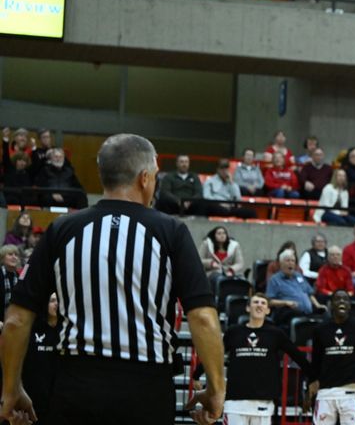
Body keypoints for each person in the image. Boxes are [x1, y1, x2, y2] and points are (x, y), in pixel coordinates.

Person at [0, 133, 225, 425]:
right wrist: (216, 390)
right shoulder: (171, 231)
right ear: (145, 178)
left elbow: (16, 320)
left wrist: (11, 388)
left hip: (76, 385)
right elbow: (203, 318)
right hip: (146, 390)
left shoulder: (62, 229)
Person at [196, 293, 312, 425]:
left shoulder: (276, 334)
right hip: (235, 403)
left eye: (263, 303)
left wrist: (314, 378)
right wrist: (196, 374)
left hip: (264, 404)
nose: (259, 305)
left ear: (268, 310)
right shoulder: (234, 332)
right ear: (248, 308)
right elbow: (215, 355)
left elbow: (297, 356)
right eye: (256, 302)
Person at [310, 289, 355, 425]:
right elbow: (315, 361)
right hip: (325, 392)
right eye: (337, 299)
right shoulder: (320, 329)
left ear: (349, 305)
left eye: (345, 299)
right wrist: (311, 385)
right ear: (331, 304)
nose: (341, 301)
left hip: (351, 391)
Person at [21, 292, 59, 423]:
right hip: (35, 397)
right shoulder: (34, 330)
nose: (56, 304)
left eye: (57, 301)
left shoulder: (65, 331)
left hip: (58, 397)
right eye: (52, 301)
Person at [266, 249, 325, 324]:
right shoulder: (275, 280)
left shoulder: (299, 276)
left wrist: (318, 305)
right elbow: (269, 301)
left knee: (325, 315)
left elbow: (309, 294)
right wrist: (285, 303)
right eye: (288, 261)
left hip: (308, 313)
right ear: (281, 263)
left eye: (293, 261)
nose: (291, 263)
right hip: (288, 313)